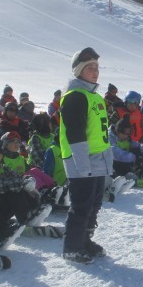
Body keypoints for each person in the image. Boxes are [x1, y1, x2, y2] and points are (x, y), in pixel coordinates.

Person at [59, 47, 114, 263]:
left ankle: (85, 240)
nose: (95, 71)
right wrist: (82, 165)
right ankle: (72, 247)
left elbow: (99, 133)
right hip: (81, 160)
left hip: (97, 160)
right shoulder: (75, 96)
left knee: (94, 204)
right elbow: (75, 133)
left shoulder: (95, 97)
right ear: (79, 70)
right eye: (90, 67)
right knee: (81, 205)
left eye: (96, 67)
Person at [108, 115, 143, 187]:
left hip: (126, 161)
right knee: (128, 161)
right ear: (118, 131)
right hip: (114, 165)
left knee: (139, 154)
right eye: (125, 134)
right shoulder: (110, 138)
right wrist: (134, 158)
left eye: (128, 134)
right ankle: (134, 180)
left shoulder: (126, 138)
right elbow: (116, 153)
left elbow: (137, 144)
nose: (126, 136)